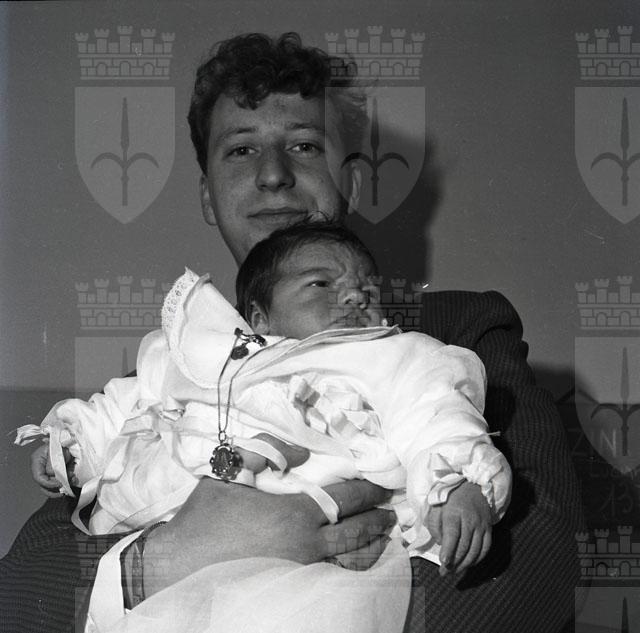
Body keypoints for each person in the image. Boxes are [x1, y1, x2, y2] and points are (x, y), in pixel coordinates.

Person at [0, 32, 583, 633]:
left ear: (350, 183)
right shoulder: (170, 373)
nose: (274, 174)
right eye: (240, 150)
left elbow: (542, 558)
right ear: (208, 197)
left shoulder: (457, 333)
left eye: (304, 145)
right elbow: (20, 588)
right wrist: (162, 563)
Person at [18, 223, 512, 632]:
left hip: (302, 567)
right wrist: (73, 444)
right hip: (151, 534)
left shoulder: (392, 356)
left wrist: (458, 485)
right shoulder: (207, 354)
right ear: (260, 318)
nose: (355, 296)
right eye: (322, 285)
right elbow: (129, 402)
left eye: (367, 288)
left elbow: (435, 412)